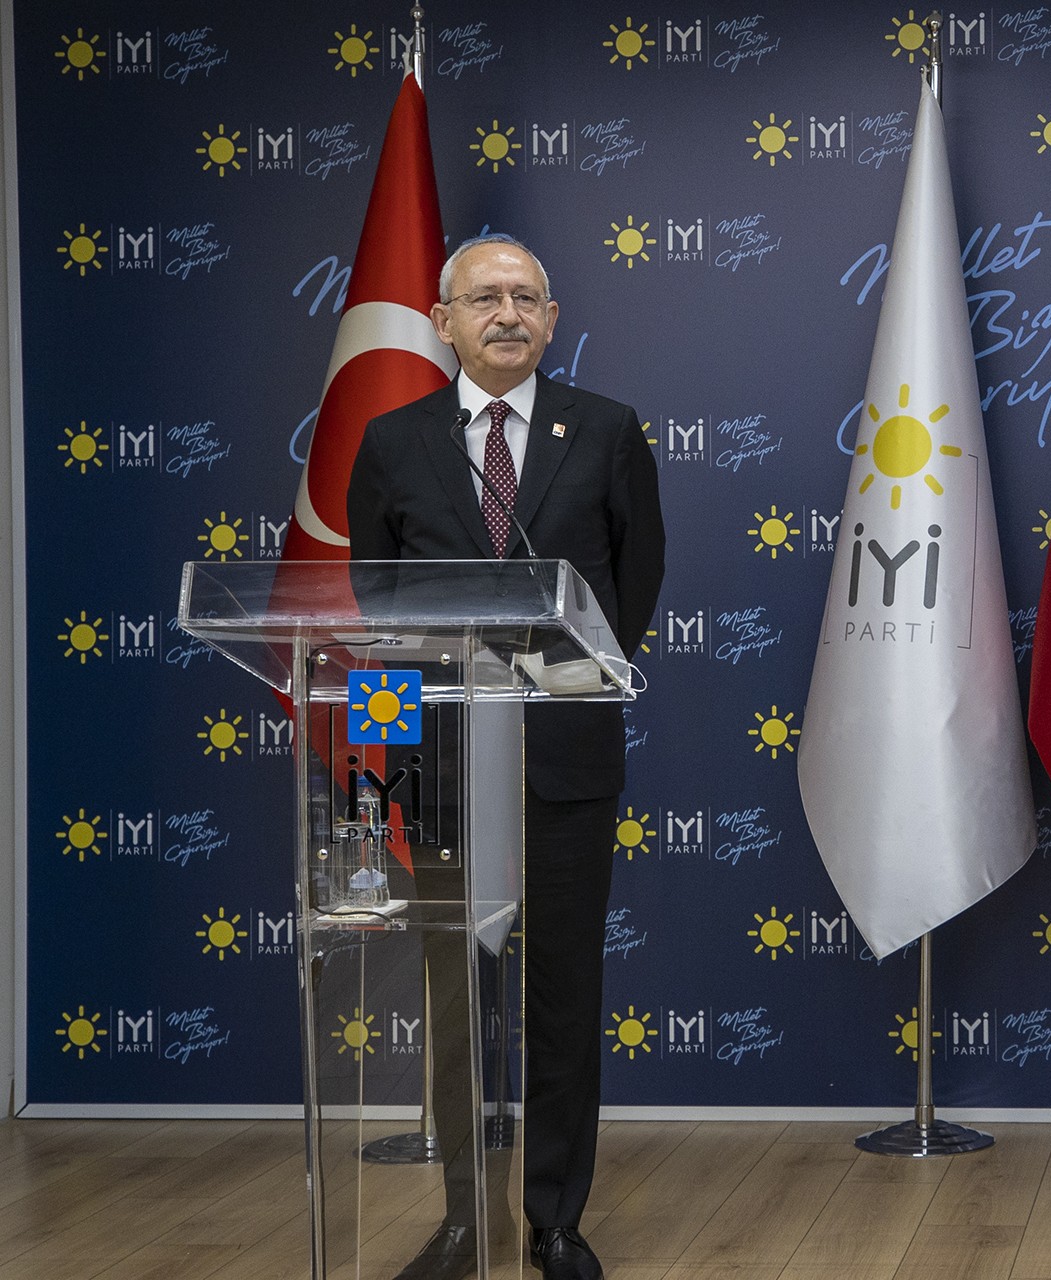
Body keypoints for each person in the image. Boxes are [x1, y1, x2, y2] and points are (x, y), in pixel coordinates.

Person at [348, 234, 666, 1280]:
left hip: (565, 758)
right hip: (441, 763)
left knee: (564, 994)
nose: (508, 313)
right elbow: (373, 606)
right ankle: (459, 1214)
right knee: (455, 997)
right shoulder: (393, 442)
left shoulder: (608, 431)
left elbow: (635, 590)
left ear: (554, 316)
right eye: (484, 297)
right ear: (443, 322)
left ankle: (556, 1221)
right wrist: (382, 770)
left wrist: (563, 683)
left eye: (527, 296)